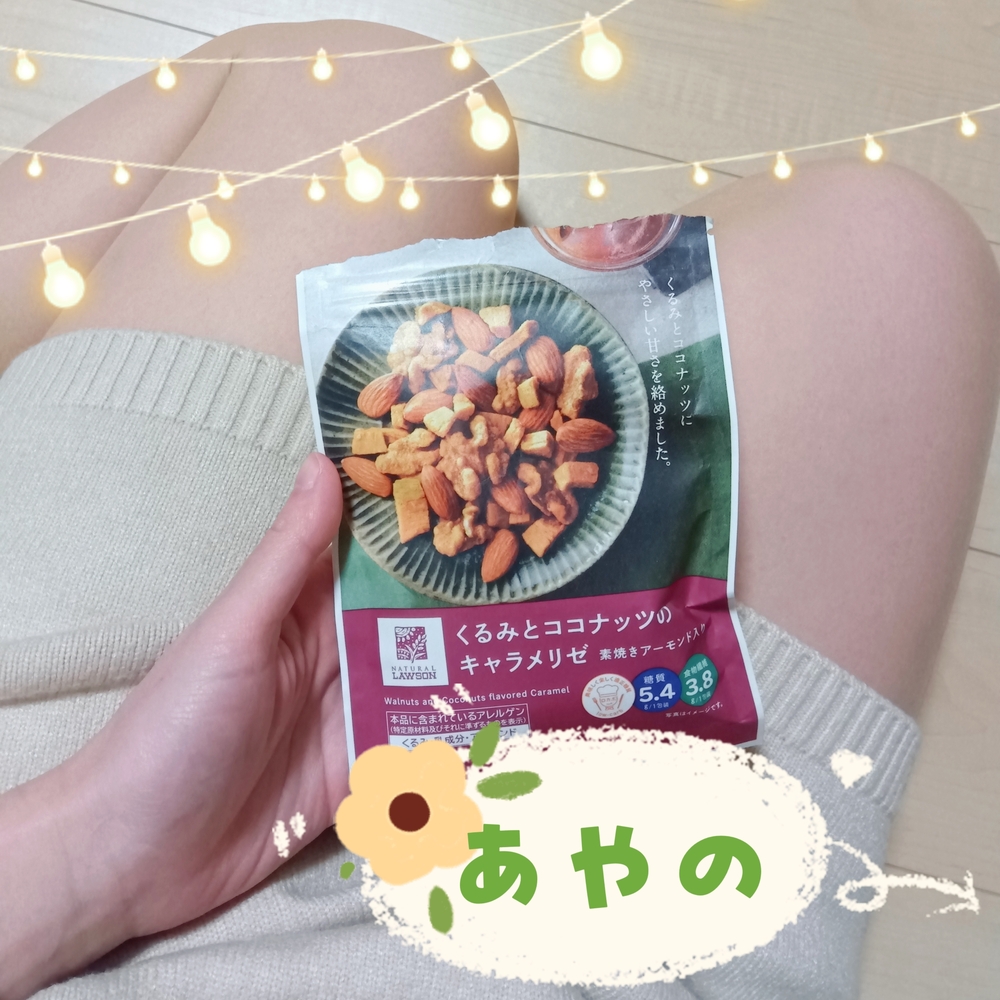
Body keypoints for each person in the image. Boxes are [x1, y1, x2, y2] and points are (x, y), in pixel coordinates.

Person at [0, 18, 997, 1000]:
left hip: (84, 804)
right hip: (598, 927)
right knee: (888, 258)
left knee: (378, 88)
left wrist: (89, 847)